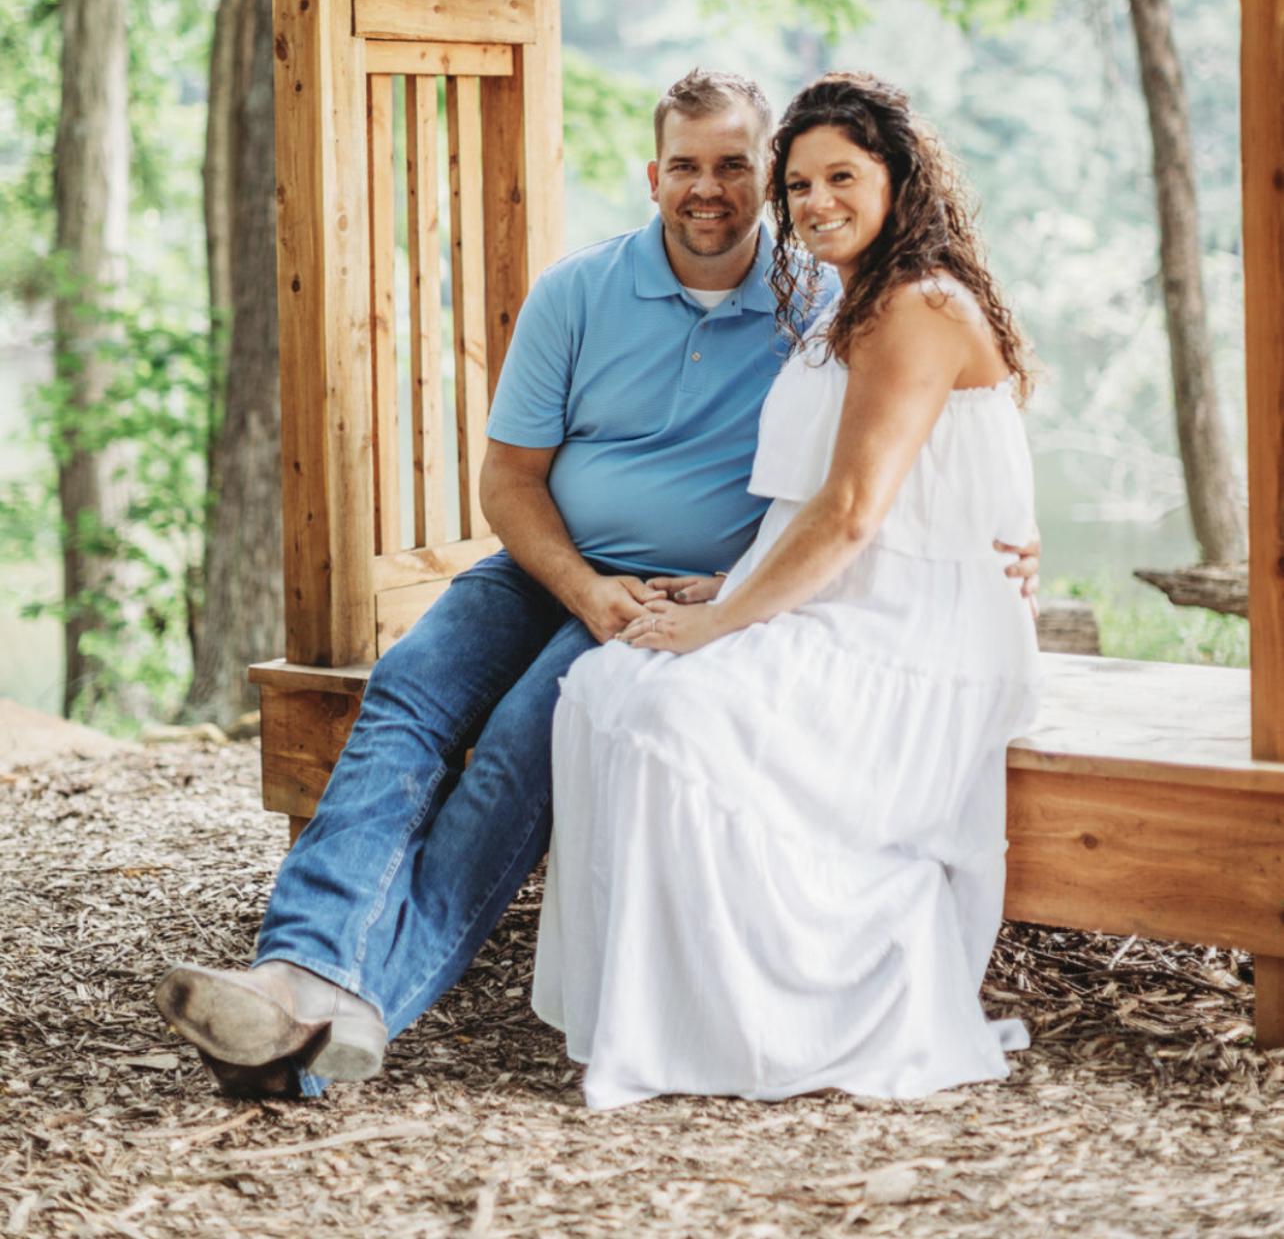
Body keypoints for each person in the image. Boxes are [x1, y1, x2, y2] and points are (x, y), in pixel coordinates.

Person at [155, 69, 1038, 1097]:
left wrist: (1002, 537)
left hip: (678, 590)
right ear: (652, 174)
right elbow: (509, 479)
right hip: (548, 567)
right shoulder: (579, 293)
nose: (711, 188)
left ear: (763, 178)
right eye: (685, 166)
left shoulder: (819, 297)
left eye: (738, 166)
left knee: (528, 740)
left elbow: (950, 406)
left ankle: (336, 1021)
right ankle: (296, 967)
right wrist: (579, 586)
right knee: (409, 691)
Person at [533, 72, 1041, 1108]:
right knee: (602, 689)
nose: (814, 204)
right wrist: (727, 584)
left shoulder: (921, 306)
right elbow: (841, 506)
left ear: (899, 179)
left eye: (841, 178)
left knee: (677, 714)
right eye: (798, 185)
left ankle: (760, 1024)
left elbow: (856, 511)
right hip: (843, 600)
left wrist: (724, 621)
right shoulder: (845, 301)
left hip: (919, 635)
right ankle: (664, 1013)